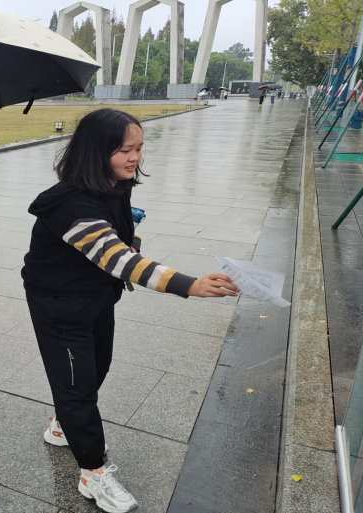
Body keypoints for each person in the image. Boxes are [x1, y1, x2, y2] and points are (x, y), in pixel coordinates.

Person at [21, 109, 238, 513]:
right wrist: (190, 285)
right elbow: (116, 257)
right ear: (96, 151)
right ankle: (92, 472)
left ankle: (63, 423)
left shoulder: (114, 185)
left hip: (96, 297)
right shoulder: (70, 205)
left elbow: (121, 241)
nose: (135, 157)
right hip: (59, 305)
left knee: (95, 368)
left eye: (139, 148)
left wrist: (131, 237)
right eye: (125, 150)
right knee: (77, 387)